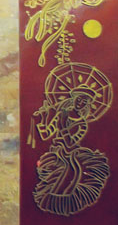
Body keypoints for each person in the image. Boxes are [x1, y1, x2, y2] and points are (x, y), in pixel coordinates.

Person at [33, 69, 110, 216]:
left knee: (71, 173)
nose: (80, 103)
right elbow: (46, 134)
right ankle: (53, 206)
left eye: (84, 101)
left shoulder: (82, 124)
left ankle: (62, 206)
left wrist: (63, 127)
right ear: (74, 99)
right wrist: (43, 119)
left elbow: (70, 143)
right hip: (56, 152)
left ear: (87, 105)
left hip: (70, 154)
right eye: (79, 99)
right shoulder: (61, 114)